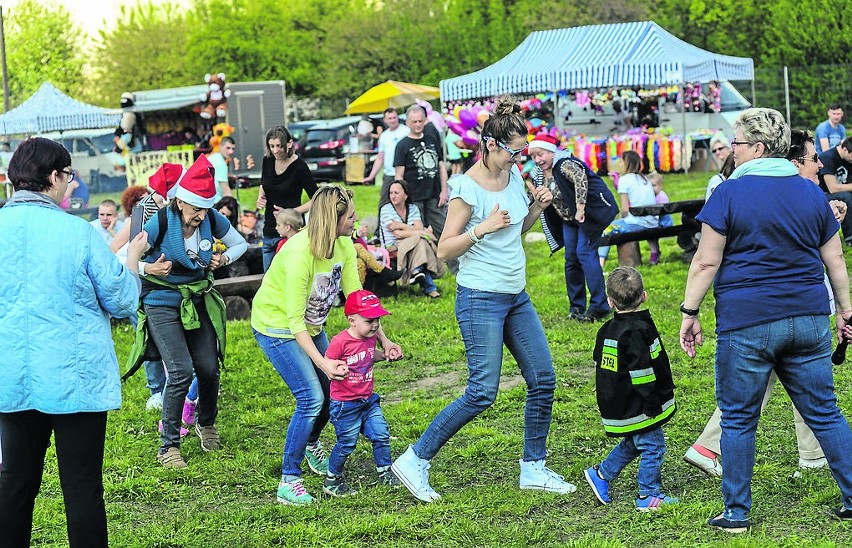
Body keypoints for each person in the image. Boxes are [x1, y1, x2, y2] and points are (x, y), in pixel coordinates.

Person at [391, 99, 576, 502]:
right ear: (490, 145)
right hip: (480, 297)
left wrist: (535, 208)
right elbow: (443, 250)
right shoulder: (465, 188)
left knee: (543, 379)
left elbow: (515, 228)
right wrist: (483, 228)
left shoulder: (512, 177)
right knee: (482, 392)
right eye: (514, 151)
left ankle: (533, 467)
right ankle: (414, 460)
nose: (519, 157)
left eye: (522, 150)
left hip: (516, 296)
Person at [679, 107, 852, 532]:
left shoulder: (728, 194)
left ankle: (736, 513)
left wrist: (689, 311)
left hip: (747, 321)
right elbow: (836, 261)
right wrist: (846, 311)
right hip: (809, 318)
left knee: (738, 419)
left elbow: (705, 261)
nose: (732, 150)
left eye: (736, 142)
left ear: (757, 147)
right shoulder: (813, 193)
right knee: (826, 413)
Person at [0, 137, 145, 547]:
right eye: (68, 176)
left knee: (15, 482)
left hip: (13, 375)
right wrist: (132, 259)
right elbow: (120, 299)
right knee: (81, 487)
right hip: (73, 380)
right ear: (53, 177)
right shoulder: (78, 233)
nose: (70, 185)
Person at [251, 185, 403, 505]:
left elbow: (359, 301)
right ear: (331, 220)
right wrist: (323, 362)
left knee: (327, 395)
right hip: (277, 327)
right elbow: (293, 323)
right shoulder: (298, 254)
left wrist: (384, 340)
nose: (355, 220)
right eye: (350, 216)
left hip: (311, 325)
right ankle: (288, 481)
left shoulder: (345, 245)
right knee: (311, 397)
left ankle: (310, 444)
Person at [127, 155, 248, 469]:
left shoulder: (209, 219)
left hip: (196, 299)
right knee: (180, 371)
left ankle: (206, 424)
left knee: (208, 368)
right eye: (196, 209)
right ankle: (168, 447)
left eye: (205, 209)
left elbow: (240, 244)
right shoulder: (161, 221)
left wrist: (224, 260)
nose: (201, 216)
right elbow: (123, 256)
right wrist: (147, 266)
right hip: (162, 301)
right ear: (180, 201)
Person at [584, 267, 678, 511]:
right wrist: (651, 403)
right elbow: (642, 373)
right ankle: (648, 495)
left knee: (637, 440)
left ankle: (601, 474)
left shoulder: (607, 329)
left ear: (610, 302)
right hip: (638, 402)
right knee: (653, 445)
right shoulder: (638, 331)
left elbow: (599, 358)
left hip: (616, 401)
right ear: (644, 295)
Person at [529, 133, 618, 322]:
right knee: (571, 259)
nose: (537, 159)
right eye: (533, 156)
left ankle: (599, 306)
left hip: (588, 215)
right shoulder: (540, 174)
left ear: (552, 151)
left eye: (541, 154)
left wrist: (580, 207)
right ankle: (576, 306)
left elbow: (580, 179)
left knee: (584, 253)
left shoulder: (565, 163)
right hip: (569, 221)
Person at [322, 289, 401, 497]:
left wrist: (384, 355)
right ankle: (332, 478)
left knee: (381, 434)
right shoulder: (340, 342)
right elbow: (327, 363)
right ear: (352, 320)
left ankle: (385, 471)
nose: (375, 325)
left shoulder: (370, 336)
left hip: (368, 400)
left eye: (377, 319)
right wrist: (335, 369)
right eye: (369, 320)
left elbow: (367, 354)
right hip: (345, 404)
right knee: (347, 443)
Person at [256, 125, 318, 271]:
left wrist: (292, 211)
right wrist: (260, 197)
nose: (275, 150)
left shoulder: (299, 167)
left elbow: (317, 198)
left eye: (279, 146)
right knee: (269, 280)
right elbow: (263, 184)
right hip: (270, 229)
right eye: (272, 146)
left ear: (289, 144)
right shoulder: (268, 161)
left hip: (290, 230)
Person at [379, 179, 444, 298]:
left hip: (411, 243)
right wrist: (421, 231)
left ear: (406, 195)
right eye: (391, 193)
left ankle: (418, 272)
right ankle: (427, 284)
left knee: (419, 242)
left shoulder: (413, 208)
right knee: (421, 240)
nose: (392, 196)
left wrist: (401, 226)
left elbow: (415, 226)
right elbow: (397, 234)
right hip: (392, 245)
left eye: (396, 193)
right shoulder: (386, 209)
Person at [393, 104, 448, 242]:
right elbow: (399, 175)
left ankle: (453, 263)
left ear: (425, 120)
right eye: (414, 122)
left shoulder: (431, 139)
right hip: (414, 197)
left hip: (434, 195)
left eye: (420, 121)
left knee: (444, 230)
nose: (418, 124)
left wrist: (444, 191)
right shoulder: (402, 145)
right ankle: (425, 262)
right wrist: (400, 198)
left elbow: (441, 167)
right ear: (407, 123)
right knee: (419, 234)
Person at [598, 150, 658, 268]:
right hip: (652, 222)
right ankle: (655, 252)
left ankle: (600, 262)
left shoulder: (624, 180)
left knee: (607, 229)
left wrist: (620, 219)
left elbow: (625, 209)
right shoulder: (644, 179)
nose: (619, 164)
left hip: (637, 222)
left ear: (626, 163)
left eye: (621, 161)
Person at [363, 108, 409, 208]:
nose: (392, 120)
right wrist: (371, 176)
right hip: (389, 174)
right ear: (385, 120)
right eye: (390, 118)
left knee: (406, 202)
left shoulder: (406, 131)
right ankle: (381, 223)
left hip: (405, 173)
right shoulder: (384, 136)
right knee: (384, 203)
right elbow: (380, 158)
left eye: (394, 117)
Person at [818, 137, 852, 244]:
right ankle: (849, 237)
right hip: (823, 195)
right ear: (845, 149)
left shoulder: (848, 158)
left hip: (843, 191)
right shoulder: (828, 157)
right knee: (846, 196)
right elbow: (832, 188)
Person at [646, 172, 672, 265]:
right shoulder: (649, 197)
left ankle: (655, 252)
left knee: (650, 231)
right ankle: (655, 251)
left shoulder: (661, 196)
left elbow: (663, 211)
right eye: (649, 186)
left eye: (654, 185)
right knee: (649, 232)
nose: (651, 188)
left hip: (664, 223)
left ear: (660, 186)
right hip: (655, 222)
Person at [207, 136, 235, 201]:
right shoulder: (220, 162)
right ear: (220, 146)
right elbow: (225, 188)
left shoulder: (213, 157)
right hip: (215, 200)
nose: (231, 152)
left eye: (233, 149)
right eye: (228, 148)